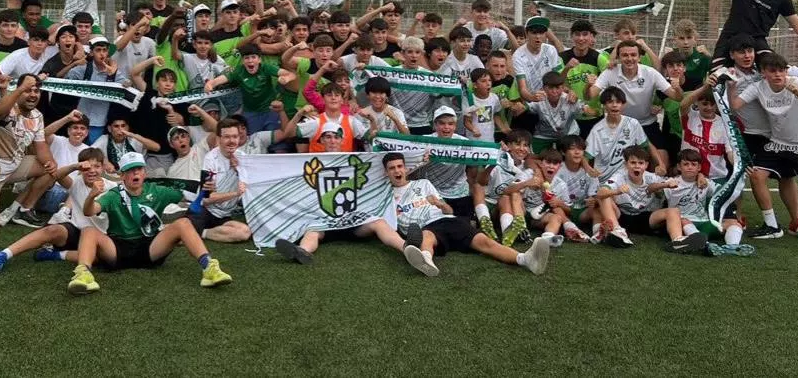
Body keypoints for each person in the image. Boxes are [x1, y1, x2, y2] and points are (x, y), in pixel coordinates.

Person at [66, 151, 232, 295]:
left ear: (144, 172)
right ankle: (84, 275)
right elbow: (89, 211)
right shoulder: (113, 195)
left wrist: (205, 189)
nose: (135, 173)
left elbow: (193, 198)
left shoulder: (158, 190)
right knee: (89, 231)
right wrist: (91, 196)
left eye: (138, 169)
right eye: (130, 170)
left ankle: (209, 268)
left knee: (183, 223)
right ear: (122, 175)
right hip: (118, 249)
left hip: (151, 248)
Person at [728, 52, 798, 254]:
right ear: (763, 73)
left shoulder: (797, 83)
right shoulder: (758, 87)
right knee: (757, 175)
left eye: (782, 70)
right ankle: (771, 226)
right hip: (779, 142)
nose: (779, 75)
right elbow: (735, 106)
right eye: (773, 71)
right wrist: (731, 85)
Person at [388, 153, 551, 277]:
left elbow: (449, 211)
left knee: (485, 242)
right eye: (392, 168)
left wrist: (440, 204)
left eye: (399, 166)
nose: (397, 170)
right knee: (426, 236)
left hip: (447, 219)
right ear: (386, 172)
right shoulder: (386, 196)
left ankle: (526, 259)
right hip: (425, 227)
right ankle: (426, 260)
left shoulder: (423, 183)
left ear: (405, 168)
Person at [274, 129, 406, 266]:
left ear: (342, 140)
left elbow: (395, 167)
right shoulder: (309, 161)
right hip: (324, 220)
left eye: (336, 137)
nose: (332, 140)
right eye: (328, 137)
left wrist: (420, 159)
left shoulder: (359, 159)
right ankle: (302, 251)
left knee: (379, 223)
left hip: (354, 219)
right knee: (312, 232)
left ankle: (407, 248)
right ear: (321, 140)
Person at [0, 147, 113, 274]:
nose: (92, 170)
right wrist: (74, 166)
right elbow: (56, 175)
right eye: (88, 167)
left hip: (99, 236)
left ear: (102, 168)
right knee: (52, 230)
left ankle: (55, 255)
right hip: (75, 231)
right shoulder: (76, 182)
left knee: (99, 259)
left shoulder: (112, 188)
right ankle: (2, 255)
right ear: (81, 169)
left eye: (97, 166)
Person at [0, 74, 59, 231]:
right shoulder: (7, 108)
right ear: (18, 90)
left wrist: (50, 162)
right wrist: (18, 89)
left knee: (49, 170)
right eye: (27, 90)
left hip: (14, 167)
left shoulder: (37, 116)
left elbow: (41, 145)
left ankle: (22, 209)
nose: (32, 94)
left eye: (36, 91)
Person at [589, 40, 680, 171]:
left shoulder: (650, 72)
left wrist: (677, 88)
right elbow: (590, 95)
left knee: (663, 163)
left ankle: (650, 189)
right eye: (625, 55)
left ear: (639, 56)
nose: (629, 58)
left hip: (647, 123)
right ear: (619, 57)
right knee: (617, 165)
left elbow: (676, 96)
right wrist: (588, 85)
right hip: (619, 125)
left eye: (633, 55)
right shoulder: (610, 72)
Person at [595, 146, 705, 252]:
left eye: (641, 163)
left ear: (646, 165)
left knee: (673, 211)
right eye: (633, 163)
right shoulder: (619, 176)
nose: (637, 166)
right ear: (626, 164)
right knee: (604, 197)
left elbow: (658, 185)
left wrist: (700, 176)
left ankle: (678, 241)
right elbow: (600, 193)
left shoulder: (651, 177)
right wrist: (617, 191)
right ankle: (617, 231)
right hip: (622, 216)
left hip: (646, 218)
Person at [661, 149, 753, 256]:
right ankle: (704, 245)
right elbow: (657, 195)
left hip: (704, 221)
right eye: (686, 164)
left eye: (693, 164)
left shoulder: (705, 182)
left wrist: (739, 176)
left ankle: (732, 247)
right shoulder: (671, 183)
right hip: (683, 223)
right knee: (684, 220)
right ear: (679, 167)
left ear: (699, 168)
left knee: (733, 223)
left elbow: (724, 192)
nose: (690, 167)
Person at [205, 43, 295, 134]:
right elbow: (221, 79)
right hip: (250, 113)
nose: (250, 61)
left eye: (253, 57)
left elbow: (291, 74)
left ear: (259, 59)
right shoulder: (239, 71)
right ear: (243, 61)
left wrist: (286, 78)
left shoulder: (266, 68)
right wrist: (210, 84)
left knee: (276, 143)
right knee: (251, 141)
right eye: (247, 58)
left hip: (270, 111)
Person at [190, 119, 253, 243]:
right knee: (179, 238)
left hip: (224, 215)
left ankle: (201, 232)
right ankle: (193, 230)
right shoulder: (210, 159)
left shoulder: (243, 158)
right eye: (227, 137)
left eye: (235, 137)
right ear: (219, 139)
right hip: (204, 210)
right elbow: (206, 199)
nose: (231, 141)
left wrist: (238, 170)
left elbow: (252, 185)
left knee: (244, 232)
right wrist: (235, 194)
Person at [584, 87, 656, 175]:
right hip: (604, 178)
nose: (614, 105)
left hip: (628, 177)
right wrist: (588, 169)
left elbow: (647, 145)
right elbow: (586, 156)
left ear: (624, 105)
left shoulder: (633, 123)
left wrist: (661, 164)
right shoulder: (597, 130)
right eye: (610, 102)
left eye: (618, 102)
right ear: (604, 105)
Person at [64, 36, 120, 143]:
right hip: (80, 121)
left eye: (104, 50)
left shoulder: (113, 71)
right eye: (98, 50)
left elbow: (126, 84)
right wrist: (76, 63)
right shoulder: (83, 69)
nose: (102, 54)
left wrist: (114, 74)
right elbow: (67, 81)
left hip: (100, 122)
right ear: (91, 53)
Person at [560, 19, 609, 138]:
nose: (581, 38)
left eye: (585, 34)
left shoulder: (599, 58)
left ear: (591, 36)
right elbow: (556, 84)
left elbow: (611, 81)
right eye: (577, 34)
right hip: (568, 117)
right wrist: (566, 69)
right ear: (571, 36)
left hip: (593, 117)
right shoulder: (562, 57)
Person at [524, 70, 582, 154]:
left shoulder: (570, 98)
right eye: (550, 88)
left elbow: (586, 109)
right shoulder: (538, 98)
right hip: (543, 134)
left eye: (558, 88)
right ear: (544, 88)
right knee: (534, 157)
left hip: (569, 133)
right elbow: (525, 107)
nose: (554, 91)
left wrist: (592, 111)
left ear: (562, 88)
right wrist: (519, 107)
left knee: (572, 156)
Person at [512, 17, 562, 113]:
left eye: (541, 33)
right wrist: (532, 97)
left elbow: (557, 79)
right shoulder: (518, 55)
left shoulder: (550, 50)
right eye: (534, 33)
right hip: (530, 104)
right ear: (527, 34)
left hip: (550, 103)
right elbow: (522, 88)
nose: (538, 36)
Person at [671, 19, 711, 91]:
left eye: (689, 38)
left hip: (698, 99)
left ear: (695, 39)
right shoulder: (670, 56)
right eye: (681, 38)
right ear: (675, 39)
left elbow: (717, 73)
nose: (686, 42)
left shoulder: (703, 56)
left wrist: (710, 57)